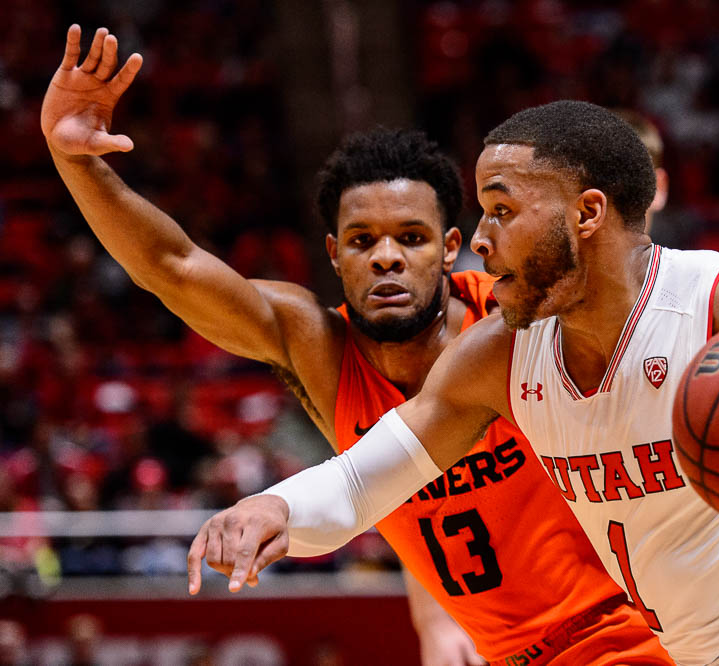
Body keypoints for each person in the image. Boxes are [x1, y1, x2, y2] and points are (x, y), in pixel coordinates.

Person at [187, 89, 719, 665]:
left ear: (586, 214)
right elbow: (366, 481)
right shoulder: (501, 355)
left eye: (501, 210)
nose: (481, 242)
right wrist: (272, 505)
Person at [40, 25, 672, 666]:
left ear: (451, 248)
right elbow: (171, 265)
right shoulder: (317, 345)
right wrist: (76, 161)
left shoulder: (518, 316)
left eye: (411, 238)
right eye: (363, 240)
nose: (387, 258)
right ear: (334, 255)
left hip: (637, 629)